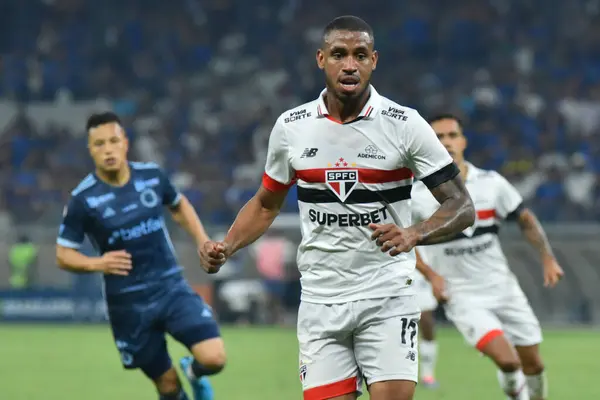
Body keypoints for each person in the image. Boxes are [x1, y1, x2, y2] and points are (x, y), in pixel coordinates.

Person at [200, 16, 475, 400]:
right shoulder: (291, 127)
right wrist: (228, 245)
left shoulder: (405, 124)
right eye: (339, 54)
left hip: (387, 294)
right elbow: (266, 203)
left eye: (360, 55)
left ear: (373, 60)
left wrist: (414, 233)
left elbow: (462, 205)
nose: (350, 64)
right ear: (320, 59)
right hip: (320, 300)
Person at [55, 112, 226, 400]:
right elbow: (63, 254)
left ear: (125, 143)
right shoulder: (82, 199)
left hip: (170, 287)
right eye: (99, 144)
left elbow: (179, 205)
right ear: (90, 150)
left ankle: (194, 372)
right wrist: (98, 263)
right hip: (128, 304)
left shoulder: (152, 176)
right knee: (167, 385)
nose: (107, 149)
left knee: (214, 358)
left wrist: (202, 240)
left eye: (113, 141)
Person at [412, 114, 564, 400]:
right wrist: (431, 276)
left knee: (534, 365)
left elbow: (526, 219)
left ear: (463, 141)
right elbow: (407, 242)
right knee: (508, 360)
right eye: (439, 137)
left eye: (452, 135)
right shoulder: (418, 194)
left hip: (504, 288)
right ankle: (515, 391)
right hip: (462, 294)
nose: (447, 143)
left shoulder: (492, 183)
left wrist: (547, 258)